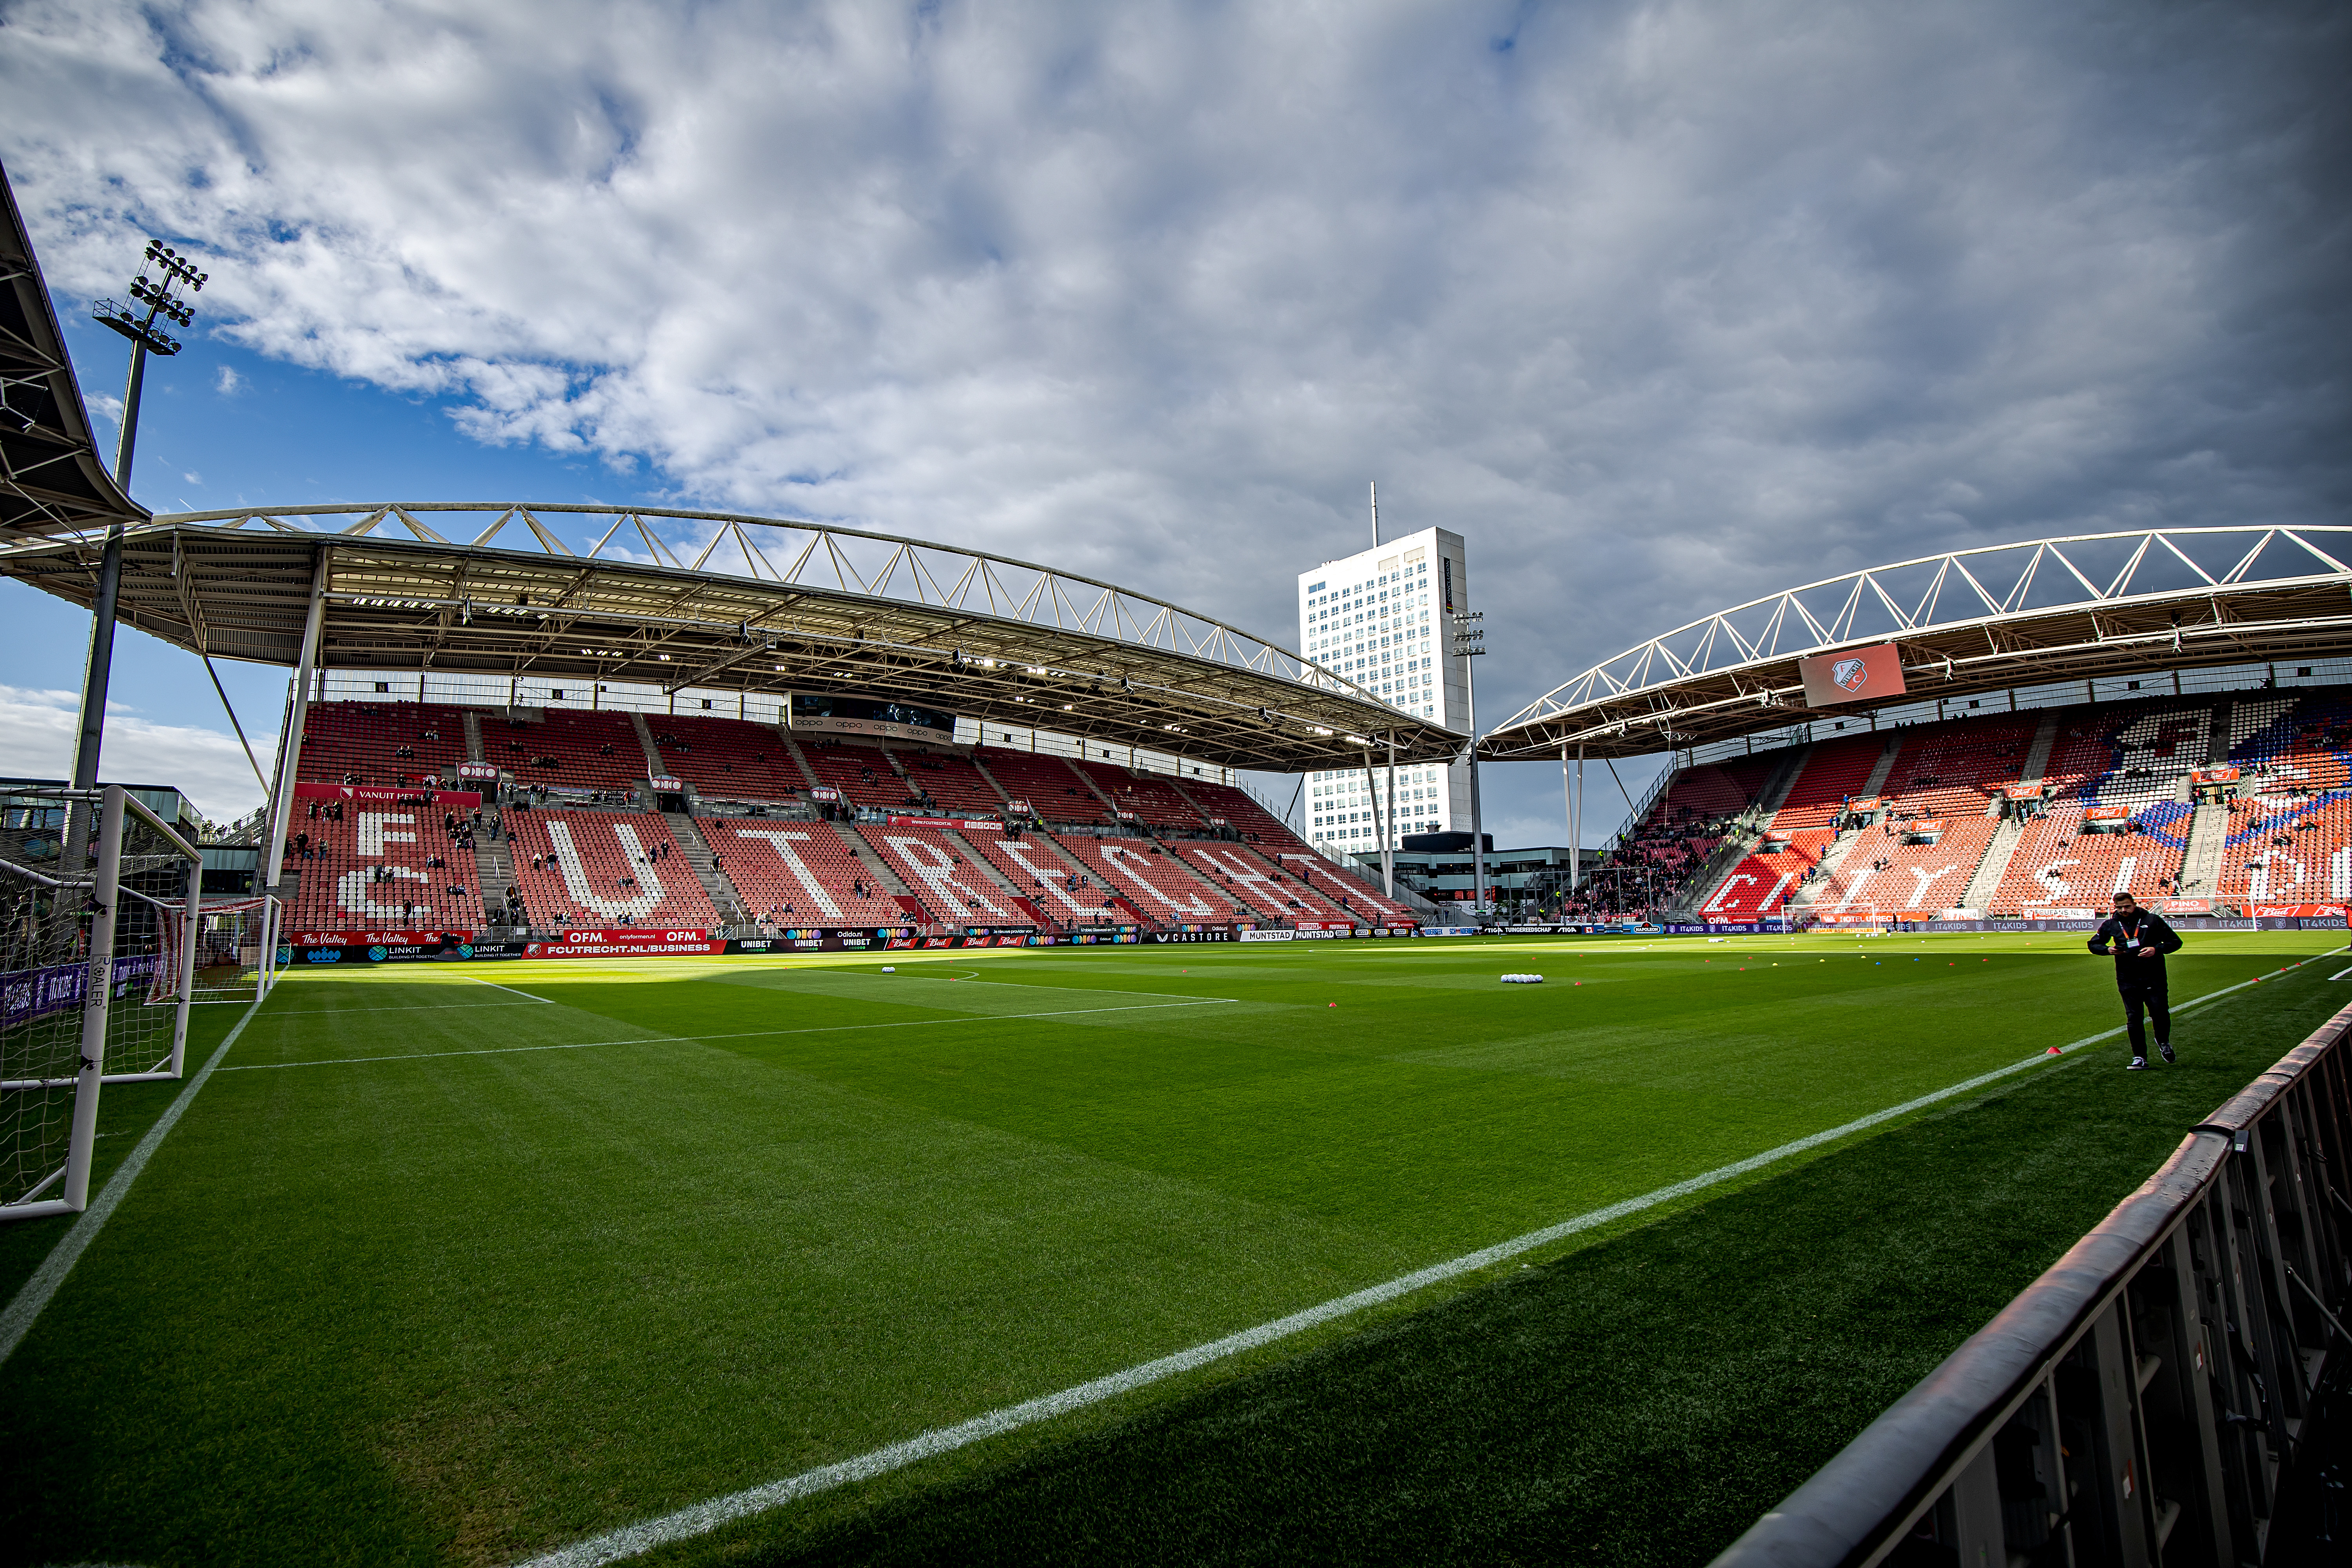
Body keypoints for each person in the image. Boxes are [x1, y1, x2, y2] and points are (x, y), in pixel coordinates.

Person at [2088, 891, 2183, 1070]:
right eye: (2119, 908)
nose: (2123, 910)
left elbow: (2175, 942)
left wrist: (2156, 949)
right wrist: (2107, 950)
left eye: (2127, 907)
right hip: (2127, 978)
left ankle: (2163, 1043)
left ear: (2134, 904)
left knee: (2160, 1013)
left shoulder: (2152, 920)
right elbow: (2094, 944)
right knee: (2134, 1017)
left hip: (2154, 976)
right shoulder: (2111, 924)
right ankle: (2140, 1057)